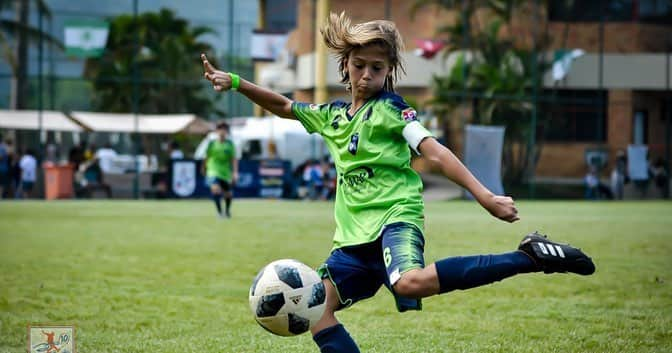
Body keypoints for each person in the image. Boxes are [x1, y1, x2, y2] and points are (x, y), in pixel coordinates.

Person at [202, 12, 595, 352]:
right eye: (360, 65)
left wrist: (486, 196)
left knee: (409, 283)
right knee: (317, 310)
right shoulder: (333, 116)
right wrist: (235, 81)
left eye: (377, 67)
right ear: (346, 66)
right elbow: (285, 106)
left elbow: (435, 152)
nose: (367, 75)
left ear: (389, 70)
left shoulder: (393, 110)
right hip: (353, 240)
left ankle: (530, 257)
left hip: (395, 219)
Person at [202, 121, 238, 218]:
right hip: (213, 170)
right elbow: (206, 157)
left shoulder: (230, 144)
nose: (222, 131)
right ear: (217, 131)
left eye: (224, 129)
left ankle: (227, 211)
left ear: (227, 131)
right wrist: (203, 168)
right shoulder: (212, 144)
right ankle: (219, 212)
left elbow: (233, 159)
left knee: (228, 194)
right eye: (220, 129)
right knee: (215, 189)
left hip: (225, 172)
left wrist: (235, 173)